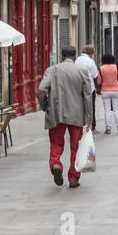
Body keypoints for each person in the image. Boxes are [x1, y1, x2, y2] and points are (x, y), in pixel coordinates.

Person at [39, 45, 95, 188]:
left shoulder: (52, 70)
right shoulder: (81, 71)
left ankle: (56, 164)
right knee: (76, 146)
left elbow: (41, 90)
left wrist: (45, 105)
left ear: (62, 56)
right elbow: (88, 96)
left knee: (56, 143)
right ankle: (73, 177)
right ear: (74, 56)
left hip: (56, 113)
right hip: (76, 114)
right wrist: (89, 119)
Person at [75, 44, 99, 131]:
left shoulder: (77, 60)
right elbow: (95, 75)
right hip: (89, 88)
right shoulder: (90, 61)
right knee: (91, 107)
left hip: (78, 87)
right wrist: (96, 88)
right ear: (91, 53)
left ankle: (79, 125)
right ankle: (92, 126)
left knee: (80, 107)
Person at [99, 53, 118, 135]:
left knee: (107, 110)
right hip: (115, 90)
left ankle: (108, 128)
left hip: (105, 90)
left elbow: (99, 81)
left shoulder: (101, 68)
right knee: (117, 109)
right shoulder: (116, 67)